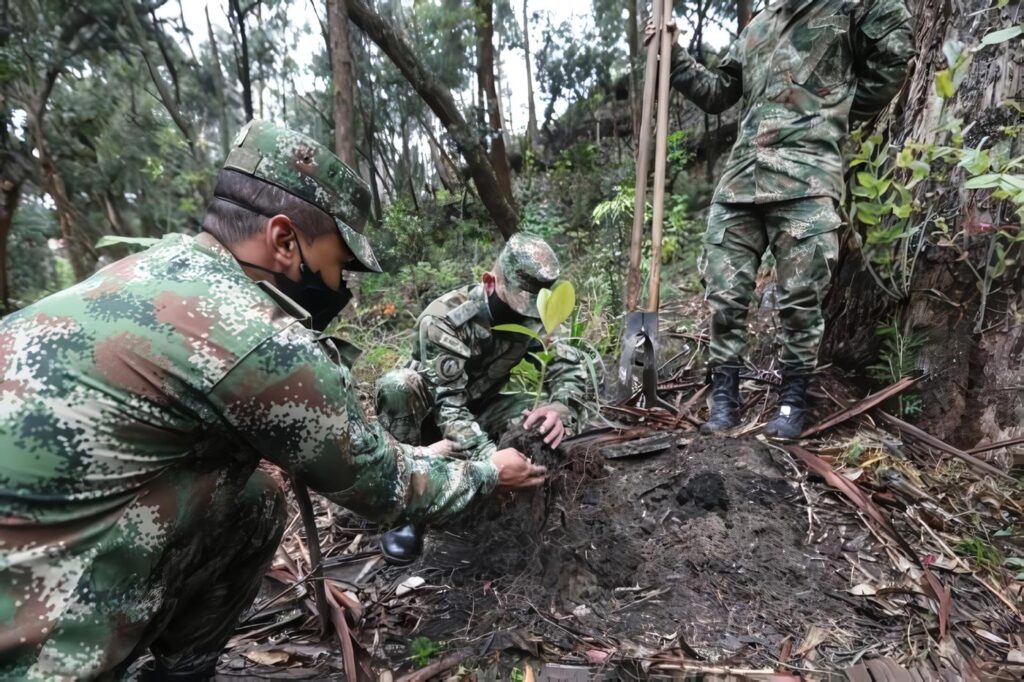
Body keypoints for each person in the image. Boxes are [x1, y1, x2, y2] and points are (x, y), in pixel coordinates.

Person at [0, 120, 545, 680]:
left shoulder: (145, 272)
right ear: (285, 241)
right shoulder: (254, 334)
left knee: (253, 499)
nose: (342, 286)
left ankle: (183, 671)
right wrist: (488, 472)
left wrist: (430, 454)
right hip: (26, 645)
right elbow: (386, 485)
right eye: (340, 264)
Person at [647, 0, 914, 437]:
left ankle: (792, 402)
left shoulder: (851, 7)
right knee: (724, 296)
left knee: (799, 300)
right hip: (739, 184)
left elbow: (891, 65)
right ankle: (725, 401)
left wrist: (829, 111)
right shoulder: (758, 28)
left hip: (805, 180)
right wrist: (671, 51)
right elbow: (718, 91)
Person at [373, 233, 593, 564]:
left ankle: (521, 492)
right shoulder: (445, 317)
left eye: (531, 310)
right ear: (489, 282)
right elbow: (449, 408)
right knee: (397, 384)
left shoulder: (535, 316)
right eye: (514, 307)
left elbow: (569, 367)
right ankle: (405, 507)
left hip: (482, 408)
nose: (523, 318)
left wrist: (558, 409)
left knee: (532, 416)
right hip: (432, 418)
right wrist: (493, 464)